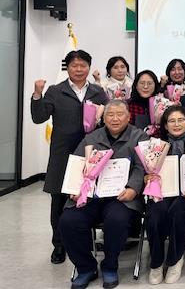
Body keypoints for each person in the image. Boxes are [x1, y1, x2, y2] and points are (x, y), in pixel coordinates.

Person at [31, 49, 109, 265]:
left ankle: (87, 240)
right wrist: (37, 95)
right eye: (74, 65)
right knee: (58, 200)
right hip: (63, 154)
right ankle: (59, 245)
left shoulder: (97, 92)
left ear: (89, 67)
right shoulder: (56, 91)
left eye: (83, 65)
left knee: (91, 197)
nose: (79, 69)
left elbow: (108, 119)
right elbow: (39, 117)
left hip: (92, 154)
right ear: (68, 68)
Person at [58, 100, 145, 289]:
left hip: (122, 198)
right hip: (90, 196)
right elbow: (77, 163)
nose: (115, 119)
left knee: (117, 220)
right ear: (103, 118)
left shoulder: (139, 136)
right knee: (68, 221)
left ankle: (110, 266)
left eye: (120, 114)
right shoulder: (91, 137)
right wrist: (74, 188)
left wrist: (133, 188)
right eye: (110, 115)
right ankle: (86, 268)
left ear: (128, 117)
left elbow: (141, 167)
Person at [146, 106, 185, 285]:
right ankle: (156, 262)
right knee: (155, 215)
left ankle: (175, 260)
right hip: (163, 193)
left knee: (178, 213)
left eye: (181, 120)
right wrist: (148, 177)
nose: (176, 124)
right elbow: (148, 171)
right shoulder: (157, 146)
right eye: (171, 121)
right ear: (165, 125)